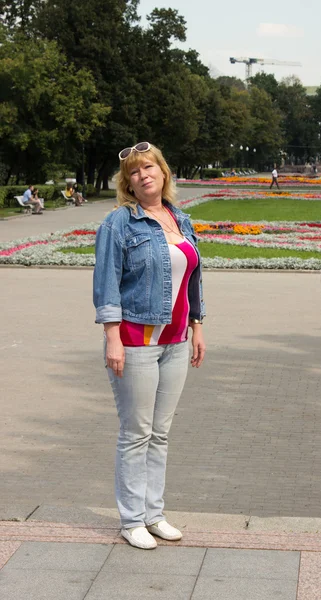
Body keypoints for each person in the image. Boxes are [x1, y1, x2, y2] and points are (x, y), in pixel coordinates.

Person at [93, 141, 206, 550]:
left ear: (163, 171)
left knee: (161, 432)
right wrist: (112, 340)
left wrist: (197, 326)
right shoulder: (118, 223)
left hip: (176, 341)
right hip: (136, 342)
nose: (144, 175)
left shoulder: (181, 218)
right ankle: (131, 519)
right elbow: (106, 284)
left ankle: (154, 515)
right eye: (135, 172)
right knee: (136, 432)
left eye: (150, 167)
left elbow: (192, 280)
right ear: (128, 183)